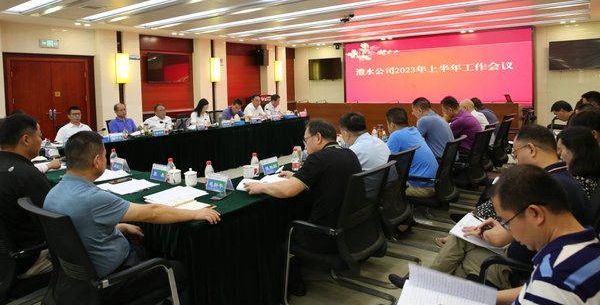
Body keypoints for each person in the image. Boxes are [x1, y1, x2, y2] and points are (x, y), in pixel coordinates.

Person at [44, 131, 220, 303]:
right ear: (97, 161)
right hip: (114, 280)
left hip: (77, 280)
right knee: (183, 270)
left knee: (145, 247)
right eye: (105, 156)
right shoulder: (93, 198)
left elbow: (76, 228)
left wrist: (119, 227)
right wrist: (195, 213)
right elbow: (153, 212)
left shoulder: (52, 194)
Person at [427, 124, 591, 289]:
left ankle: (427, 285)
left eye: (516, 154)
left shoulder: (544, 187)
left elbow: (505, 239)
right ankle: (429, 283)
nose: (517, 161)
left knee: (460, 252)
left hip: (518, 270)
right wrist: (504, 229)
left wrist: (499, 233)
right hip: (524, 260)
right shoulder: (562, 179)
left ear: (531, 149)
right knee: (461, 244)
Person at [245, 119, 361, 252]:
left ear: (318, 137)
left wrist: (261, 187)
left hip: (324, 236)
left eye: (306, 140)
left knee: (275, 233)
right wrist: (298, 176)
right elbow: (329, 177)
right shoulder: (350, 154)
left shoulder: (318, 158)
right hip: (351, 232)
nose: (305, 146)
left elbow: (288, 190)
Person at [493, 165, 600, 305]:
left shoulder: (554, 277)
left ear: (535, 213)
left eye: (508, 222)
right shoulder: (588, 248)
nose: (510, 232)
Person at [0, 114, 53, 278]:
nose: (41, 141)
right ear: (26, 139)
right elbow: (54, 226)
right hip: (28, 257)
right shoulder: (28, 176)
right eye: (39, 136)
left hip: (6, 257)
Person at [385, 107, 438, 197]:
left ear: (392, 125)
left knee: (382, 190)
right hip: (435, 183)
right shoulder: (414, 130)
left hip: (422, 187)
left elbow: (386, 162)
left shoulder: (396, 135)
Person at [338, 112, 393, 196]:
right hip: (387, 192)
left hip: (369, 196)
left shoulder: (354, 151)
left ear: (346, 134)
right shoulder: (379, 141)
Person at [557, 126, 600, 198]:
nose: (558, 153)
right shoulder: (593, 178)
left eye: (561, 150)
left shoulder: (570, 184)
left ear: (573, 150)